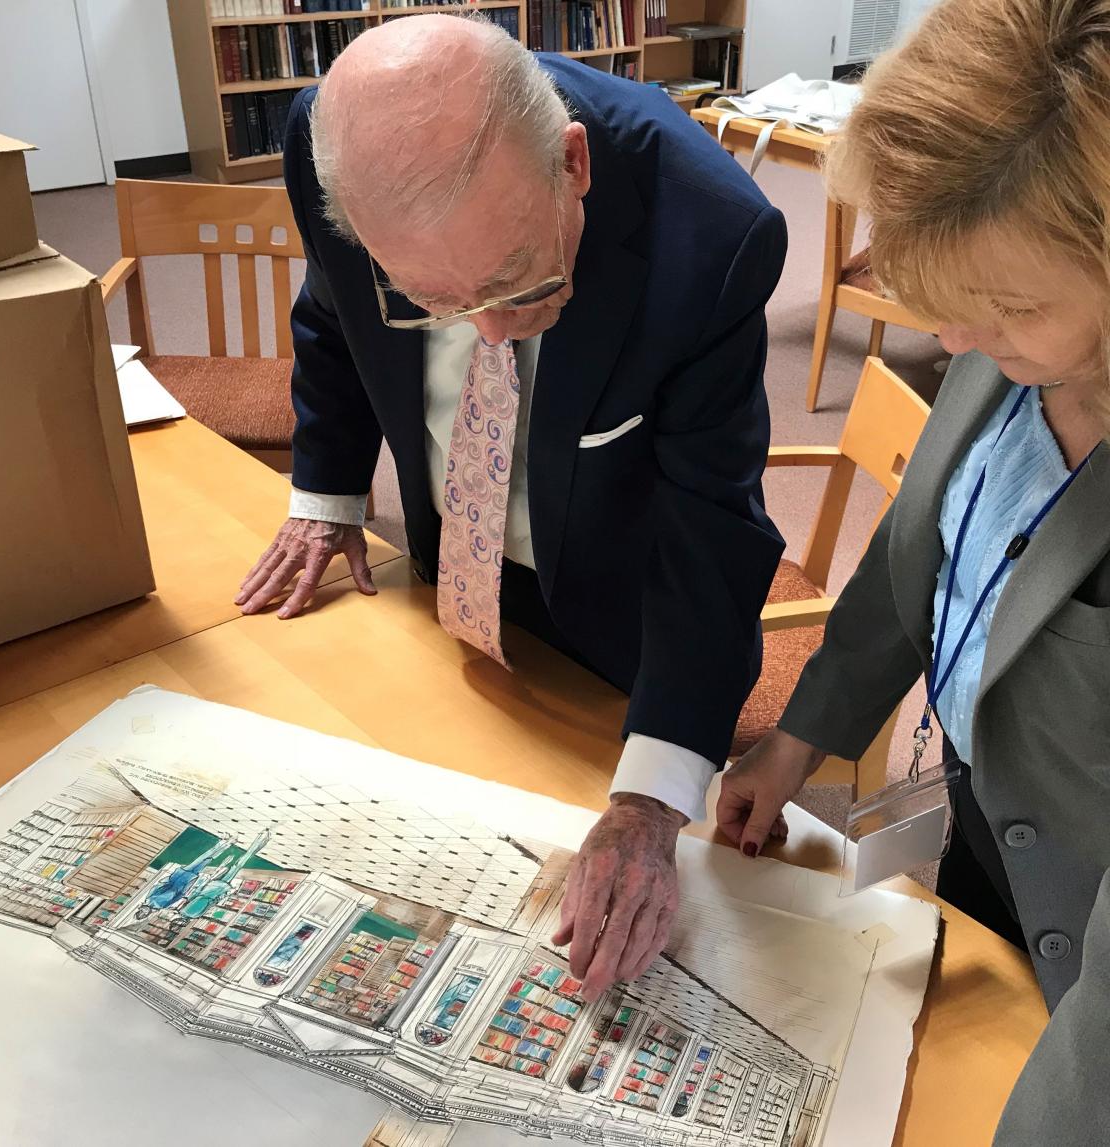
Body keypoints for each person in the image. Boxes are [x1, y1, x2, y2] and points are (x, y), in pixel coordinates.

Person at [236, 16, 787, 997]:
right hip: (446, 574)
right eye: (434, 300)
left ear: (572, 163)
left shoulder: (712, 236)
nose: (490, 331)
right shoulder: (335, 142)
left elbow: (713, 528)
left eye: (518, 282)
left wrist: (653, 805)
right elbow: (334, 317)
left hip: (614, 616)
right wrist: (326, 494)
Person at [716, 1, 1110, 1141]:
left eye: (1009, 310)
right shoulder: (1016, 343)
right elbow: (922, 553)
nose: (963, 345)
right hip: (995, 826)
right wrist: (799, 737)